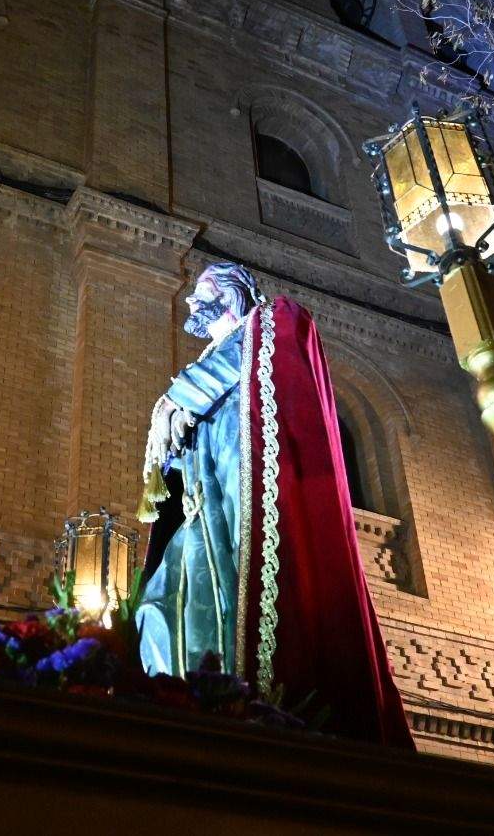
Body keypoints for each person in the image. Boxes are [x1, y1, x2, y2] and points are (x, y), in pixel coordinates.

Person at [134, 262, 412, 747]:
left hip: (242, 506)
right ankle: (176, 701)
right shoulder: (211, 357)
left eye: (205, 290)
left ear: (235, 293)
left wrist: (178, 400)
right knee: (155, 604)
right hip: (204, 507)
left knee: (220, 608)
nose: (193, 301)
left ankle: (219, 697)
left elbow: (258, 361)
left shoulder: (266, 330)